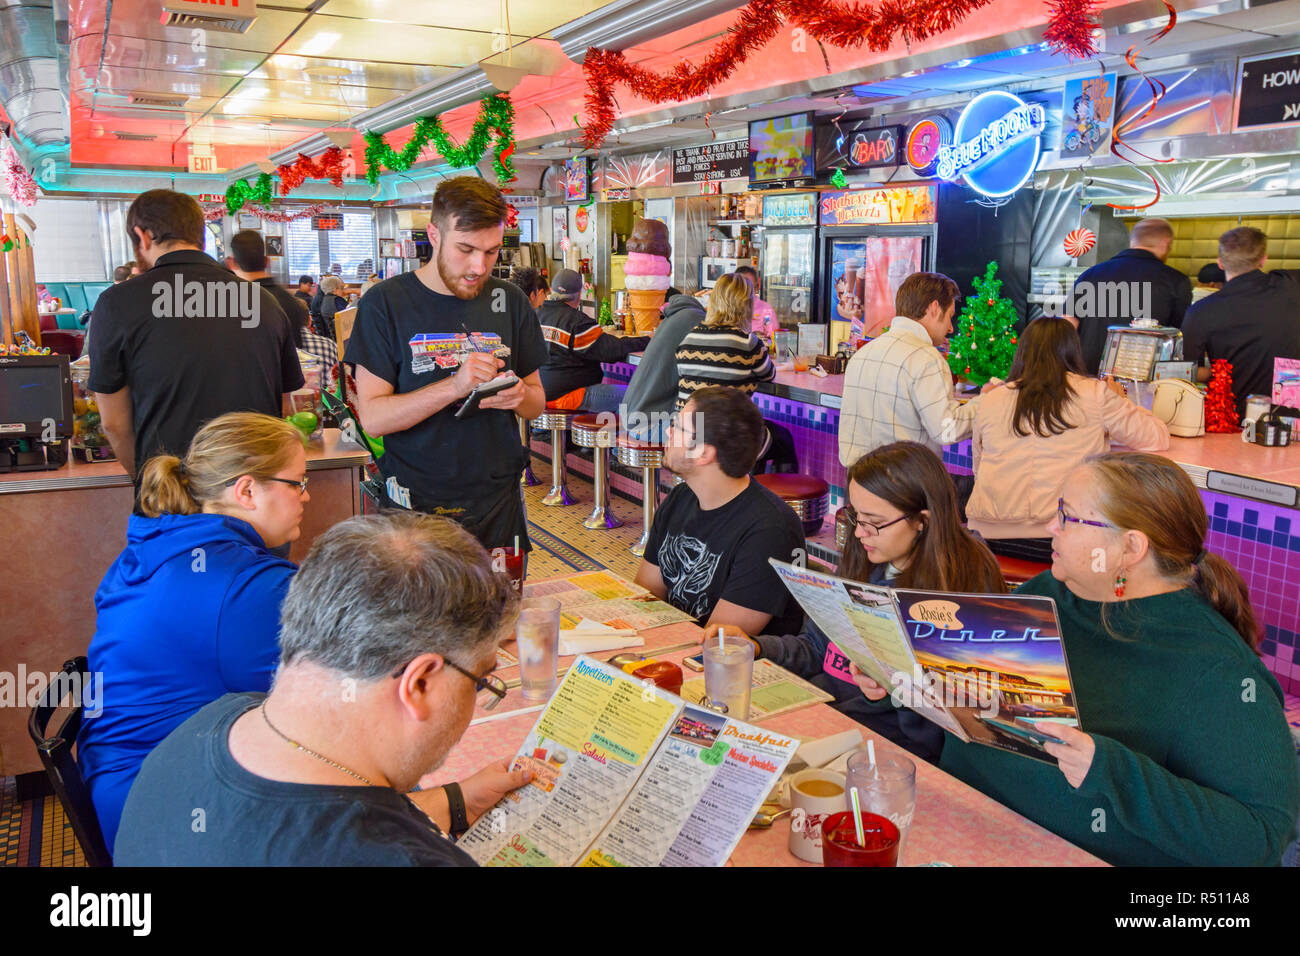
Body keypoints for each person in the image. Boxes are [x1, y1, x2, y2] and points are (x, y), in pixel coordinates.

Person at [113, 512, 534, 866]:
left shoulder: (214, 723)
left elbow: (304, 822)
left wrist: (459, 802)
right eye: (480, 680)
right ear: (419, 682)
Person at [940, 453, 1299, 866]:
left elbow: (1260, 837)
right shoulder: (1053, 592)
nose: (1049, 527)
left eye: (1068, 516)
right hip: (962, 823)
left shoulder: (1217, 670)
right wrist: (905, 683)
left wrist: (1110, 771)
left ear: (1130, 546)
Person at [76, 413, 309, 853]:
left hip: (120, 780)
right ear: (246, 489)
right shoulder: (244, 583)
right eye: (297, 482)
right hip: (164, 813)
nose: (306, 495)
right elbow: (331, 690)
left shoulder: (156, 545)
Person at [732, 441, 1006, 763]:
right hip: (824, 715)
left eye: (874, 521)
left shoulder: (959, 589)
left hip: (887, 752)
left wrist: (888, 692)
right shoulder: (867, 556)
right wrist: (758, 648)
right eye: (855, 516)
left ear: (923, 520)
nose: (861, 533)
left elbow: (955, 731)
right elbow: (819, 647)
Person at [346, 176, 548, 555]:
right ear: (434, 235)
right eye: (466, 249)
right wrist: (454, 387)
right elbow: (373, 417)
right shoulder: (385, 303)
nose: (479, 266)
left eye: (491, 252)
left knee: (501, 611)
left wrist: (519, 396)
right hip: (416, 502)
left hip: (497, 497)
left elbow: (537, 402)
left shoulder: (511, 300)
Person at [88, 189, 302, 485]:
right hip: (254, 493)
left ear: (143, 235)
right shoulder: (263, 302)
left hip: (171, 493)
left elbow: (113, 424)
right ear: (199, 234)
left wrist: (149, 482)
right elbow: (283, 407)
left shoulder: (117, 304)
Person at [967, 317, 1169, 563]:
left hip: (987, 539)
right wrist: (1121, 400)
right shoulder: (1094, 394)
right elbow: (1155, 438)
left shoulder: (991, 399)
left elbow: (979, 468)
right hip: (1057, 538)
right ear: (1073, 351)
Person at [635, 386, 805, 637]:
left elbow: (719, 642)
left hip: (732, 668)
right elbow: (645, 597)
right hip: (673, 646)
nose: (668, 431)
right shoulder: (681, 497)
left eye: (679, 428)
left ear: (703, 452)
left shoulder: (770, 530)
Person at [839, 272, 988, 467]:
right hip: (905, 486)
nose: (951, 328)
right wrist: (986, 402)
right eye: (950, 316)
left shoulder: (863, 353)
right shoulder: (927, 358)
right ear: (934, 308)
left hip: (858, 484)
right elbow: (946, 430)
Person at [1181, 226, 1300, 419]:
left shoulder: (1201, 311)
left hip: (1233, 420)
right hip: (1290, 418)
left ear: (1220, 263)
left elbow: (1186, 372)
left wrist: (1220, 371)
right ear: (1263, 260)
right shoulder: (1290, 285)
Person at [1068, 217, 1193, 374]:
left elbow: (1067, 326)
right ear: (1165, 243)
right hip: (1140, 386)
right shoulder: (1176, 281)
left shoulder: (1090, 275)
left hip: (1086, 378)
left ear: (1133, 241)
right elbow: (1179, 339)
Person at [537, 268, 650, 415]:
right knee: (639, 396)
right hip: (568, 395)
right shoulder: (577, 322)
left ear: (551, 290)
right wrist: (649, 340)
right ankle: (615, 437)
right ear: (579, 294)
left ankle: (546, 433)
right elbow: (610, 350)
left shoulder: (537, 314)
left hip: (539, 392)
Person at [674, 272, 774, 413]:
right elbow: (769, 375)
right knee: (782, 434)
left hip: (684, 430)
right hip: (724, 432)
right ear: (747, 305)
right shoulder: (748, 342)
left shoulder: (689, 338)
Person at [622, 293, 707, 442]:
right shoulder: (697, 320)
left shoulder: (676, 316)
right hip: (649, 425)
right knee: (712, 434)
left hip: (632, 419)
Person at [734, 265, 778, 345]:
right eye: (743, 287)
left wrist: (761, 340)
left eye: (751, 287)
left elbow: (774, 340)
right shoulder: (728, 309)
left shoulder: (766, 311)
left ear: (757, 287)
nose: (747, 292)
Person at [315, 274, 349, 343]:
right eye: (341, 288)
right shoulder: (337, 300)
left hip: (331, 337)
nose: (343, 291)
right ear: (335, 289)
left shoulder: (324, 299)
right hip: (342, 338)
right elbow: (349, 315)